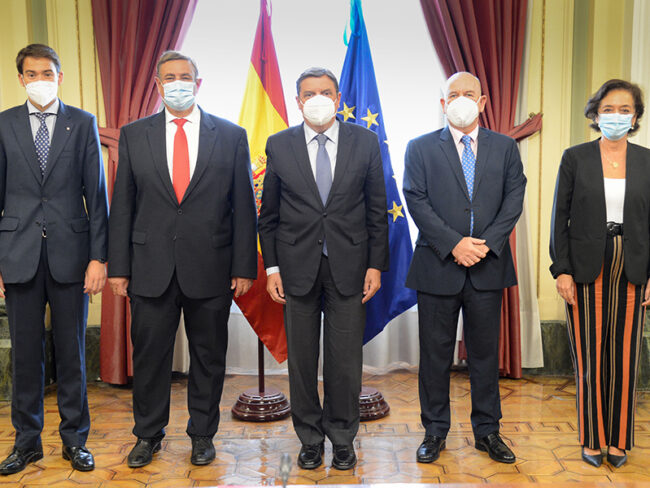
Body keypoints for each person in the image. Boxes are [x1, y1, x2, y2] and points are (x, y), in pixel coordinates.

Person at [107, 51, 257, 468]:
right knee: (149, 357)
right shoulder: (134, 135)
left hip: (211, 266)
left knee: (208, 357)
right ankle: (148, 435)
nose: (177, 83)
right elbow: (123, 205)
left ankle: (202, 435)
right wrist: (119, 267)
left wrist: (244, 266)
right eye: (169, 77)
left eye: (184, 76)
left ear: (198, 82)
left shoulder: (230, 135)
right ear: (157, 85)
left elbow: (243, 206)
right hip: (149, 267)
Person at [258, 67, 389, 470]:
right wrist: (272, 268)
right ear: (298, 101)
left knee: (344, 362)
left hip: (350, 268)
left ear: (337, 98)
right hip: (295, 269)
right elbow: (269, 215)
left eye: (326, 92)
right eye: (309, 93)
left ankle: (343, 438)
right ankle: (310, 439)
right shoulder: (279, 144)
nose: (318, 99)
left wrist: (376, 265)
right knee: (301, 362)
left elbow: (376, 211)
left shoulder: (364, 142)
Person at [403, 72, 526, 465]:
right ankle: (434, 431)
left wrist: (483, 245)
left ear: (483, 101)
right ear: (443, 103)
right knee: (435, 356)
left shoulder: (505, 147)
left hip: (487, 268)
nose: (460, 100)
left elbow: (514, 198)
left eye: (468, 93)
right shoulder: (420, 147)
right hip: (437, 265)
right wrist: (454, 243)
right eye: (452, 94)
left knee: (485, 356)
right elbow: (416, 200)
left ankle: (488, 432)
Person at [0, 44, 108, 475]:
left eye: (47, 72)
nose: (40, 79)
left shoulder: (81, 123)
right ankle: (26, 443)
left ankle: (75, 441)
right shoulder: (4, 123)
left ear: (59, 77)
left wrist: (98, 258)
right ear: (21, 79)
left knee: (72, 354)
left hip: (72, 257)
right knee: (26, 356)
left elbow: (96, 197)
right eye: (32, 73)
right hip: (18, 255)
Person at [550, 79, 649, 469]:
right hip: (586, 266)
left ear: (635, 117)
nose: (616, 116)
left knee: (624, 358)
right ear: (595, 114)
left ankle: (619, 440)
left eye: (625, 110)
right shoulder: (575, 158)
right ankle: (592, 438)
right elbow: (559, 218)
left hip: (633, 265)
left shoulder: (646, 160)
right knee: (590, 357)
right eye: (608, 109)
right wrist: (562, 270)